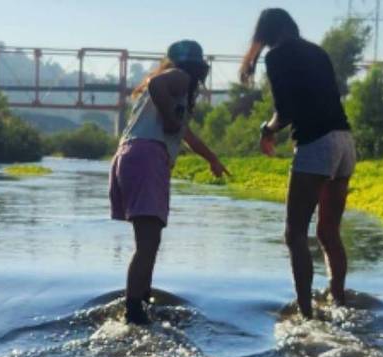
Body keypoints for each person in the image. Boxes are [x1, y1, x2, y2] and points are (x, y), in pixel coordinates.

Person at [239, 8, 357, 319]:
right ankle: (339, 302)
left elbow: (286, 111)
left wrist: (267, 129)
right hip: (344, 141)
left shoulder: (277, 56)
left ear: (265, 33)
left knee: (294, 235)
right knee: (329, 231)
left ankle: (306, 315)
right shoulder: (317, 51)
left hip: (316, 143)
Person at [110, 40, 228, 325]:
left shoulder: (177, 91)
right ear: (196, 66)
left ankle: (142, 301)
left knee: (149, 241)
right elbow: (157, 86)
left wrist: (212, 158)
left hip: (131, 156)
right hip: (147, 156)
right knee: (148, 243)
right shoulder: (179, 77)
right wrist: (170, 118)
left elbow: (186, 134)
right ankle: (134, 311)